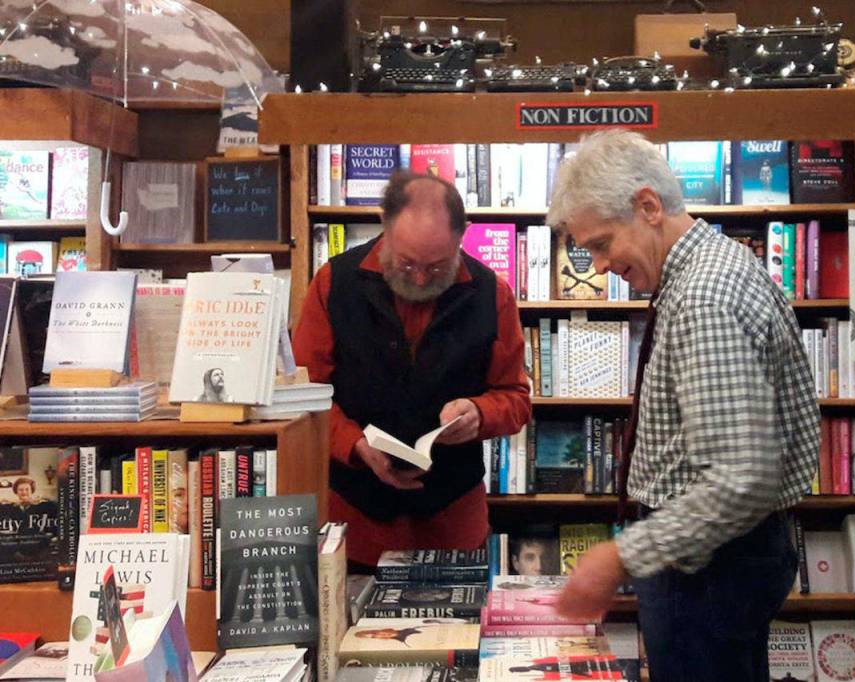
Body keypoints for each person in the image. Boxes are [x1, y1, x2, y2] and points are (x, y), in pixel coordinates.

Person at [547, 130, 820, 681]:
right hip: (717, 559)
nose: (597, 266)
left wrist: (621, 556)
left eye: (601, 244)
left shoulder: (704, 296)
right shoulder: (706, 271)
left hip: (711, 566)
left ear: (648, 207)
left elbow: (741, 479)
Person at [293, 170, 531, 568]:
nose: (420, 278)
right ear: (384, 226)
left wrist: (480, 413)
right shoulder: (333, 284)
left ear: (463, 235)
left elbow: (516, 399)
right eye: (406, 264)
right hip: (355, 523)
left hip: (453, 522)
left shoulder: (493, 293)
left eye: (437, 266)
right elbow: (303, 395)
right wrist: (353, 443)